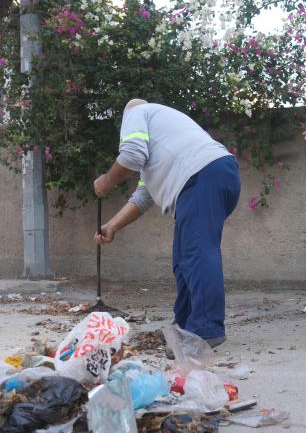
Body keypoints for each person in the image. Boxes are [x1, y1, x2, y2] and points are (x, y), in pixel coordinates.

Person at [93, 99, 241, 348]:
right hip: (210, 176)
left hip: (202, 177)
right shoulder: (163, 141)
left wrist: (105, 182)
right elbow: (144, 196)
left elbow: (131, 154)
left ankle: (205, 330)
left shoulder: (137, 111)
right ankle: (184, 328)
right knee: (184, 260)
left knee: (196, 253)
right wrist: (112, 226)